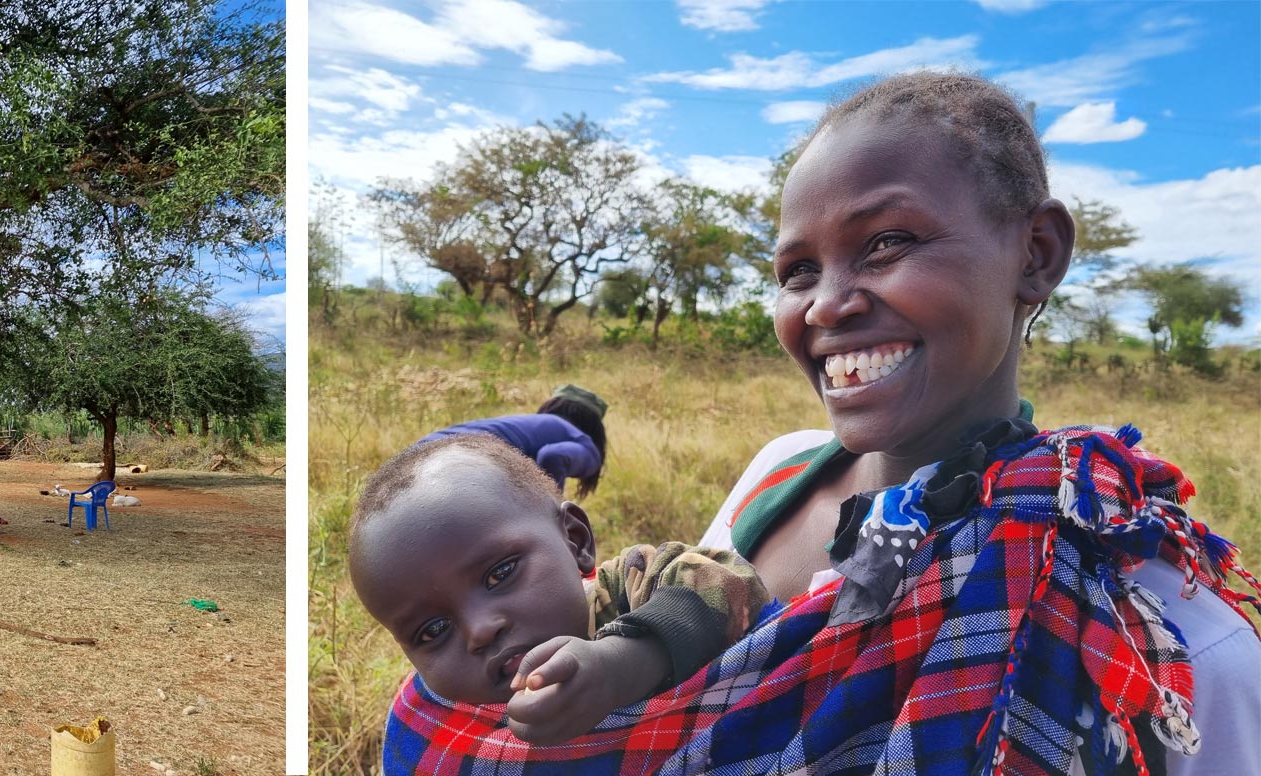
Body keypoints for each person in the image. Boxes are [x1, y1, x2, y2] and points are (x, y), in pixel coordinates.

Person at [378, 72, 1261, 775]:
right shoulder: (778, 472)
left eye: (887, 242)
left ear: (1035, 255)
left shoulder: (1158, 622)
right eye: (798, 269)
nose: (829, 305)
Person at [352, 434, 771, 746]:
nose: (479, 631)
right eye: (432, 630)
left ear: (575, 540)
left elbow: (729, 579)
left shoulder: (630, 582)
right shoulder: (440, 725)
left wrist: (624, 662)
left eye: (499, 574)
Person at [416, 384, 610, 498]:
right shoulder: (586, 446)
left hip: (421, 452)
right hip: (460, 462)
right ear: (595, 427)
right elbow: (552, 456)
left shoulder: (532, 424)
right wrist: (554, 513)